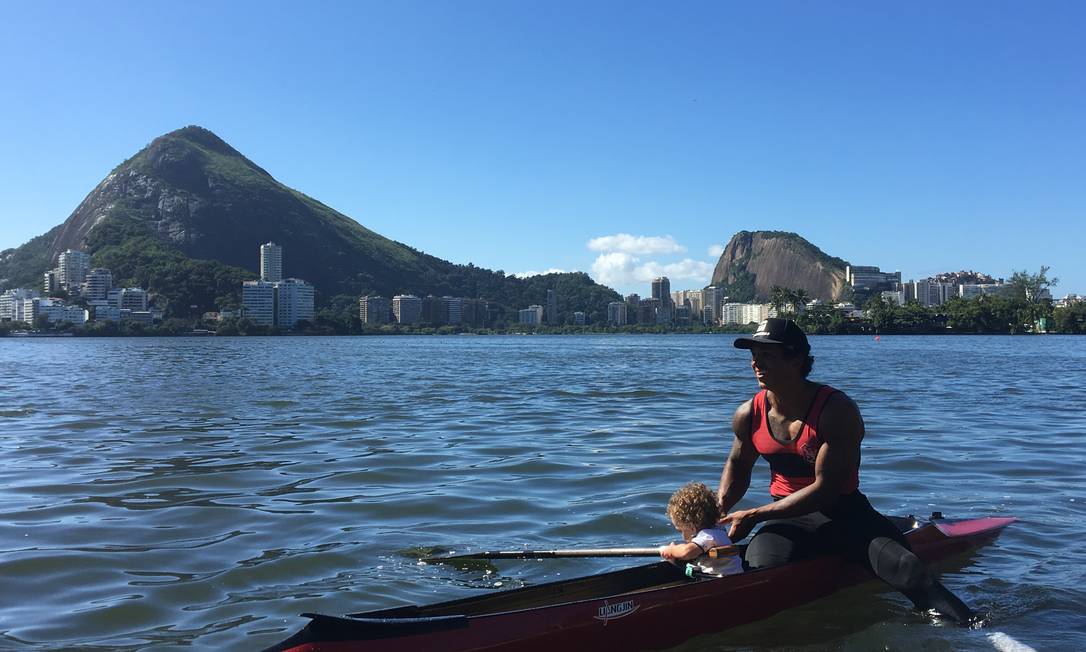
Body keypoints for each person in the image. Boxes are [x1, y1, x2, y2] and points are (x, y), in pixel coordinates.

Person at [717, 318, 975, 623]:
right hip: (786, 518)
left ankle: (976, 629)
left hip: (845, 514)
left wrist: (754, 515)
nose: (756, 364)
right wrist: (715, 513)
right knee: (758, 574)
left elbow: (825, 490)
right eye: (754, 355)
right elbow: (738, 466)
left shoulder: (836, 410)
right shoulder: (748, 414)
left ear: (796, 359)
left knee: (909, 570)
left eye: (767, 355)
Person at [660, 481, 743, 576]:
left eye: (680, 530)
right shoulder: (718, 529)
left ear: (692, 525)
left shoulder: (708, 536)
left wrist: (671, 550)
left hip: (720, 581)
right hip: (730, 576)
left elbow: (686, 552)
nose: (682, 536)